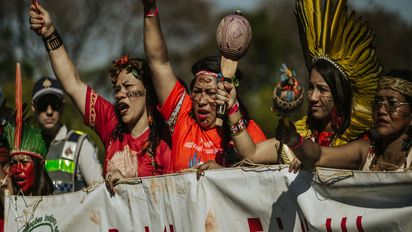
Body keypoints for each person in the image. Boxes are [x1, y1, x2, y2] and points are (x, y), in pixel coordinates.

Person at [29, 3, 172, 195]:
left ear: (148, 91)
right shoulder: (112, 124)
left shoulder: (166, 134)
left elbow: (174, 194)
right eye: (117, 88)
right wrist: (49, 34)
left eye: (128, 87)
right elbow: (73, 84)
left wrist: (130, 185)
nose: (120, 93)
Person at [215, 0, 383, 164]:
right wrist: (232, 107)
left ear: (340, 94)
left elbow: (316, 156)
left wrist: (295, 141)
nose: (314, 97)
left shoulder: (362, 145)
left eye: (322, 89)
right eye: (311, 88)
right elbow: (251, 154)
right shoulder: (299, 133)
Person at [141, 1, 267, 172]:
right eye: (197, 92)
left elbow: (265, 179)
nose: (201, 100)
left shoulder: (248, 132)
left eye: (210, 93)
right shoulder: (182, 117)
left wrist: (223, 172)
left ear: (226, 94)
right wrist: (149, 9)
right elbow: (158, 63)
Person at [287, 70, 412, 172]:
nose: (381, 110)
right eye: (377, 103)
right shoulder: (364, 150)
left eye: (392, 104)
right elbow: (320, 156)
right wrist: (295, 140)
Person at [31, 77, 103, 194]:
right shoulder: (28, 148)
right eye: (43, 105)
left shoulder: (80, 143)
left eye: (54, 104)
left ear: (62, 106)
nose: (49, 111)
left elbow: (98, 191)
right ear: (33, 108)